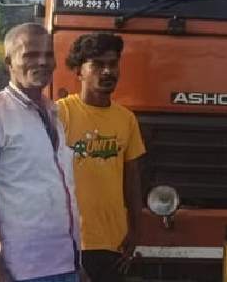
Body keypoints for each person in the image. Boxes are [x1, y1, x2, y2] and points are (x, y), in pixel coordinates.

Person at [0, 23, 81, 282]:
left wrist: (77, 265)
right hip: (22, 271)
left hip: (66, 265)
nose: (42, 61)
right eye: (29, 55)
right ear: (9, 62)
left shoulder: (52, 113)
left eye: (48, 54)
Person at [57, 33, 145, 282]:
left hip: (114, 243)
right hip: (71, 242)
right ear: (79, 70)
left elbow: (132, 180)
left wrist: (135, 231)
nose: (107, 71)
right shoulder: (60, 114)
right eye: (97, 64)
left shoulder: (126, 119)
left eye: (113, 64)